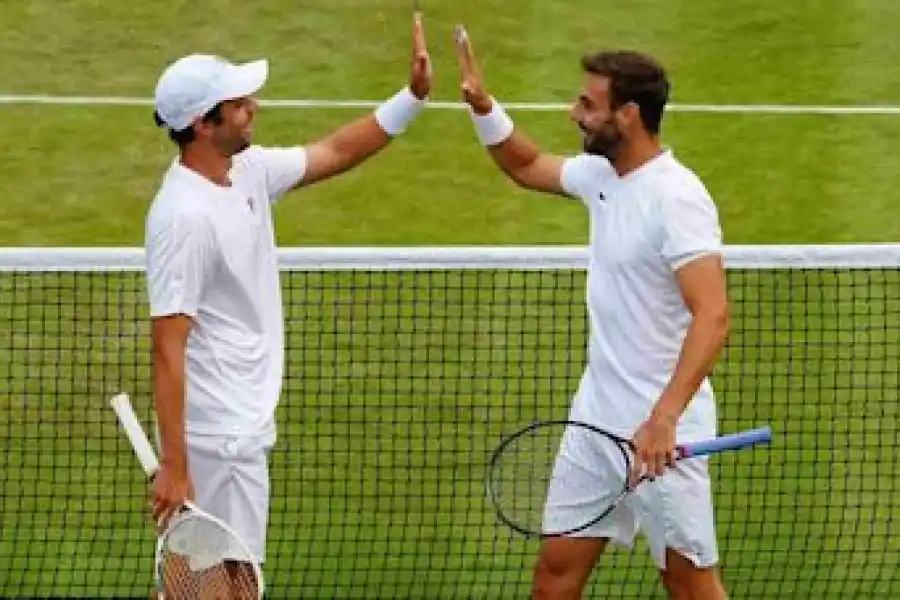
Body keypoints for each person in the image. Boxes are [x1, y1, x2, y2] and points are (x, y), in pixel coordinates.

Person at [143, 12, 432, 597]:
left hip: (235, 425)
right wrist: (177, 464)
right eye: (240, 103)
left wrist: (412, 97)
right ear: (204, 123)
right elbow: (167, 346)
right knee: (233, 586)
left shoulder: (243, 170)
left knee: (197, 584)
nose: (254, 108)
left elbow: (333, 151)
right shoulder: (184, 218)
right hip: (220, 434)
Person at [454, 25, 731, 600]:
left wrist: (664, 418)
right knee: (555, 575)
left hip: (661, 434)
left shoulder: (677, 197)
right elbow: (526, 165)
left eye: (587, 103)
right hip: (594, 422)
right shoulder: (603, 177)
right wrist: (484, 107)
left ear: (628, 114)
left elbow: (712, 316)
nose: (572, 111)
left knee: (689, 584)